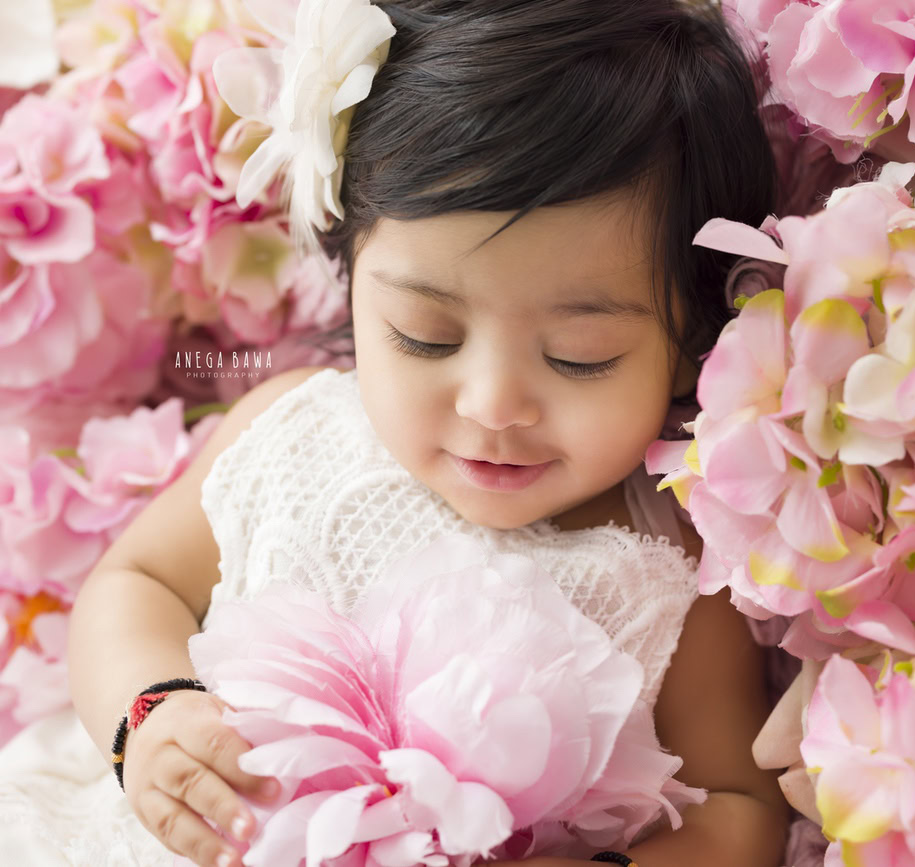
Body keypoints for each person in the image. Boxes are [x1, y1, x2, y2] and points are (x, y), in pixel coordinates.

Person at [0, 0, 790, 865]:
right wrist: (151, 712)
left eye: (579, 355)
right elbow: (135, 580)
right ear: (350, 277)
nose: (492, 404)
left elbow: (738, 807)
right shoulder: (290, 431)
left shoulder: (673, 559)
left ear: (692, 345)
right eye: (425, 335)